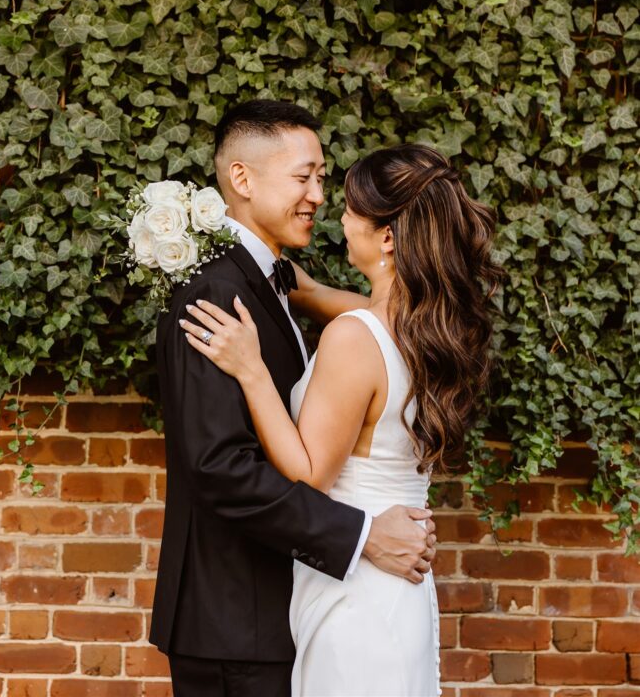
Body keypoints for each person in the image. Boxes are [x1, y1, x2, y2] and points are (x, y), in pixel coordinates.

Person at [181, 141, 501, 696]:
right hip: (398, 589)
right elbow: (352, 304)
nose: (337, 212)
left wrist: (252, 370)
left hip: (356, 591)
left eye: (353, 207)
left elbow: (309, 475)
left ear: (386, 237)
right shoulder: (430, 329)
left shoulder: (354, 339)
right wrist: (296, 288)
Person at [149, 100, 438, 697]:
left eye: (323, 178)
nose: (319, 196)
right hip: (234, 621)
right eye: (303, 176)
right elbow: (219, 465)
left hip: (280, 617)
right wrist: (360, 536)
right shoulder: (211, 293)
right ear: (243, 180)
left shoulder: (276, 284)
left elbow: (394, 322)